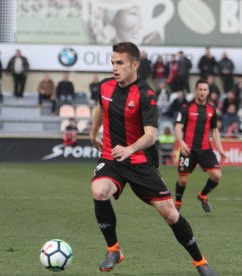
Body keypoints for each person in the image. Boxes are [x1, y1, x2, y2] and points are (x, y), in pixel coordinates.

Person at [89, 42, 216, 275]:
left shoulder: (146, 94)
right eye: (112, 63)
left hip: (139, 161)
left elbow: (151, 136)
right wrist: (92, 131)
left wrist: (129, 149)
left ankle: (200, 262)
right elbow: (101, 107)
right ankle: (113, 249)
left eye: (120, 63)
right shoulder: (105, 86)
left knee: (170, 213)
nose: (114, 68)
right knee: (99, 191)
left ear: (134, 65)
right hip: (111, 157)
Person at [174, 79, 226, 213]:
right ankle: (178, 201)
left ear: (208, 92)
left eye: (205, 90)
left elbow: (214, 130)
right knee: (183, 180)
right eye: (200, 89)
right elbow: (178, 127)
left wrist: (220, 149)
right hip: (188, 150)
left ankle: (202, 195)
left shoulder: (211, 110)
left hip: (205, 149)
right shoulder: (186, 108)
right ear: (195, 91)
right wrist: (181, 143)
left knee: (217, 175)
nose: (202, 92)